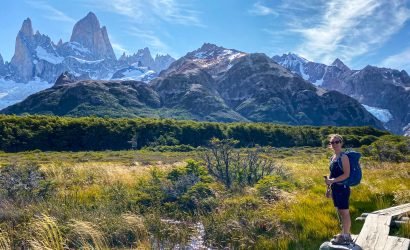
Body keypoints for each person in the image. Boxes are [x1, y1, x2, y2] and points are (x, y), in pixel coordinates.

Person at [324, 134, 353, 245]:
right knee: (340, 211)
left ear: (341, 143)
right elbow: (332, 175)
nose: (335, 144)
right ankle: (344, 234)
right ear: (330, 145)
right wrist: (329, 188)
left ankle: (346, 236)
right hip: (335, 188)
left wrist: (332, 181)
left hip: (343, 188)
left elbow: (346, 175)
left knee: (344, 212)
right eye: (332, 142)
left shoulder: (343, 157)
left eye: (337, 142)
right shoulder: (332, 158)